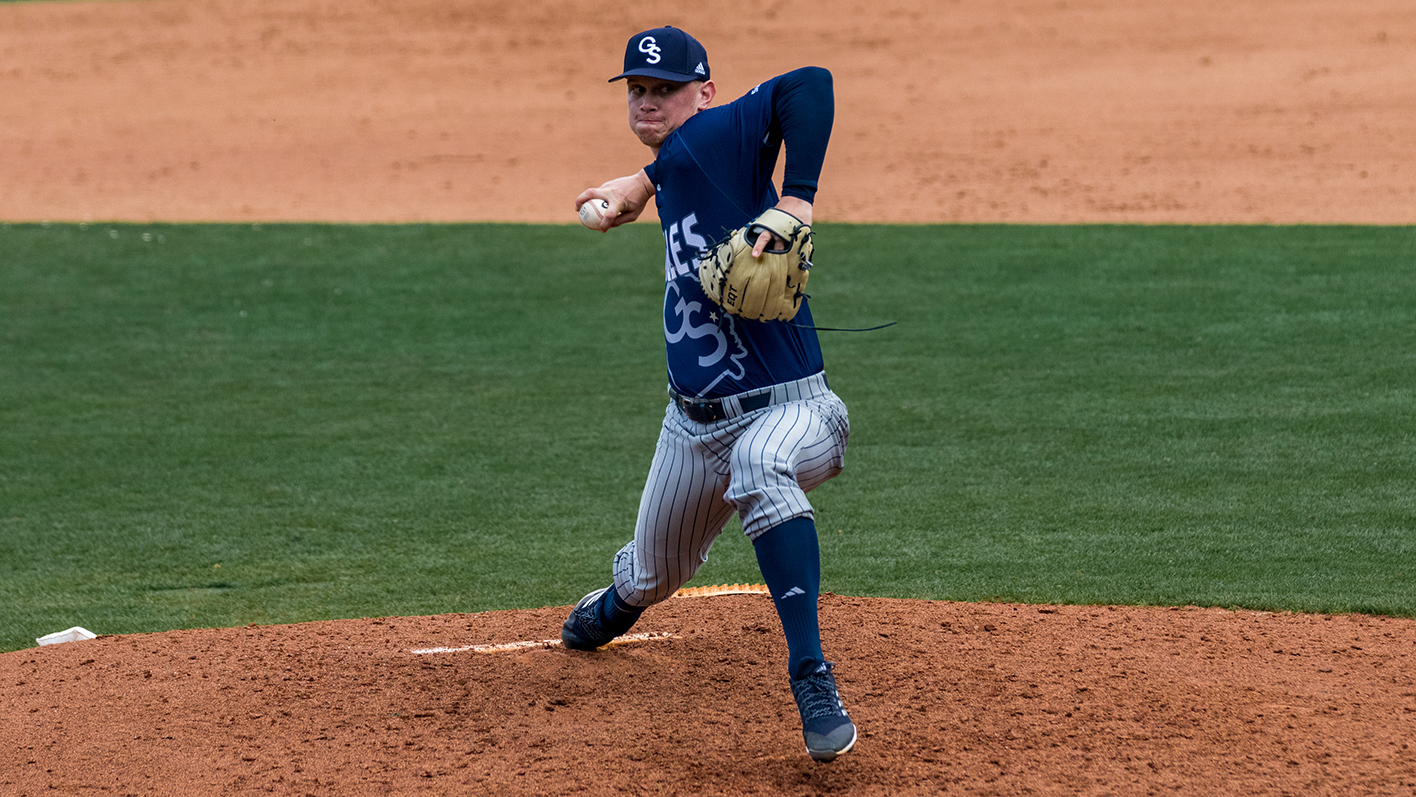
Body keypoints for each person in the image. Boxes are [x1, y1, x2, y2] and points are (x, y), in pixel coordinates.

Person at [563, 26, 856, 763]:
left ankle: (811, 675)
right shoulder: (676, 161)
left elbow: (809, 82)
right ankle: (619, 600)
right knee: (655, 572)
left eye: (666, 89)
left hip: (795, 410)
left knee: (761, 466)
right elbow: (677, 163)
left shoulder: (724, 129)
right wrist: (643, 180)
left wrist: (798, 201)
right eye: (638, 89)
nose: (649, 101)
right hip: (692, 428)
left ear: (706, 92)